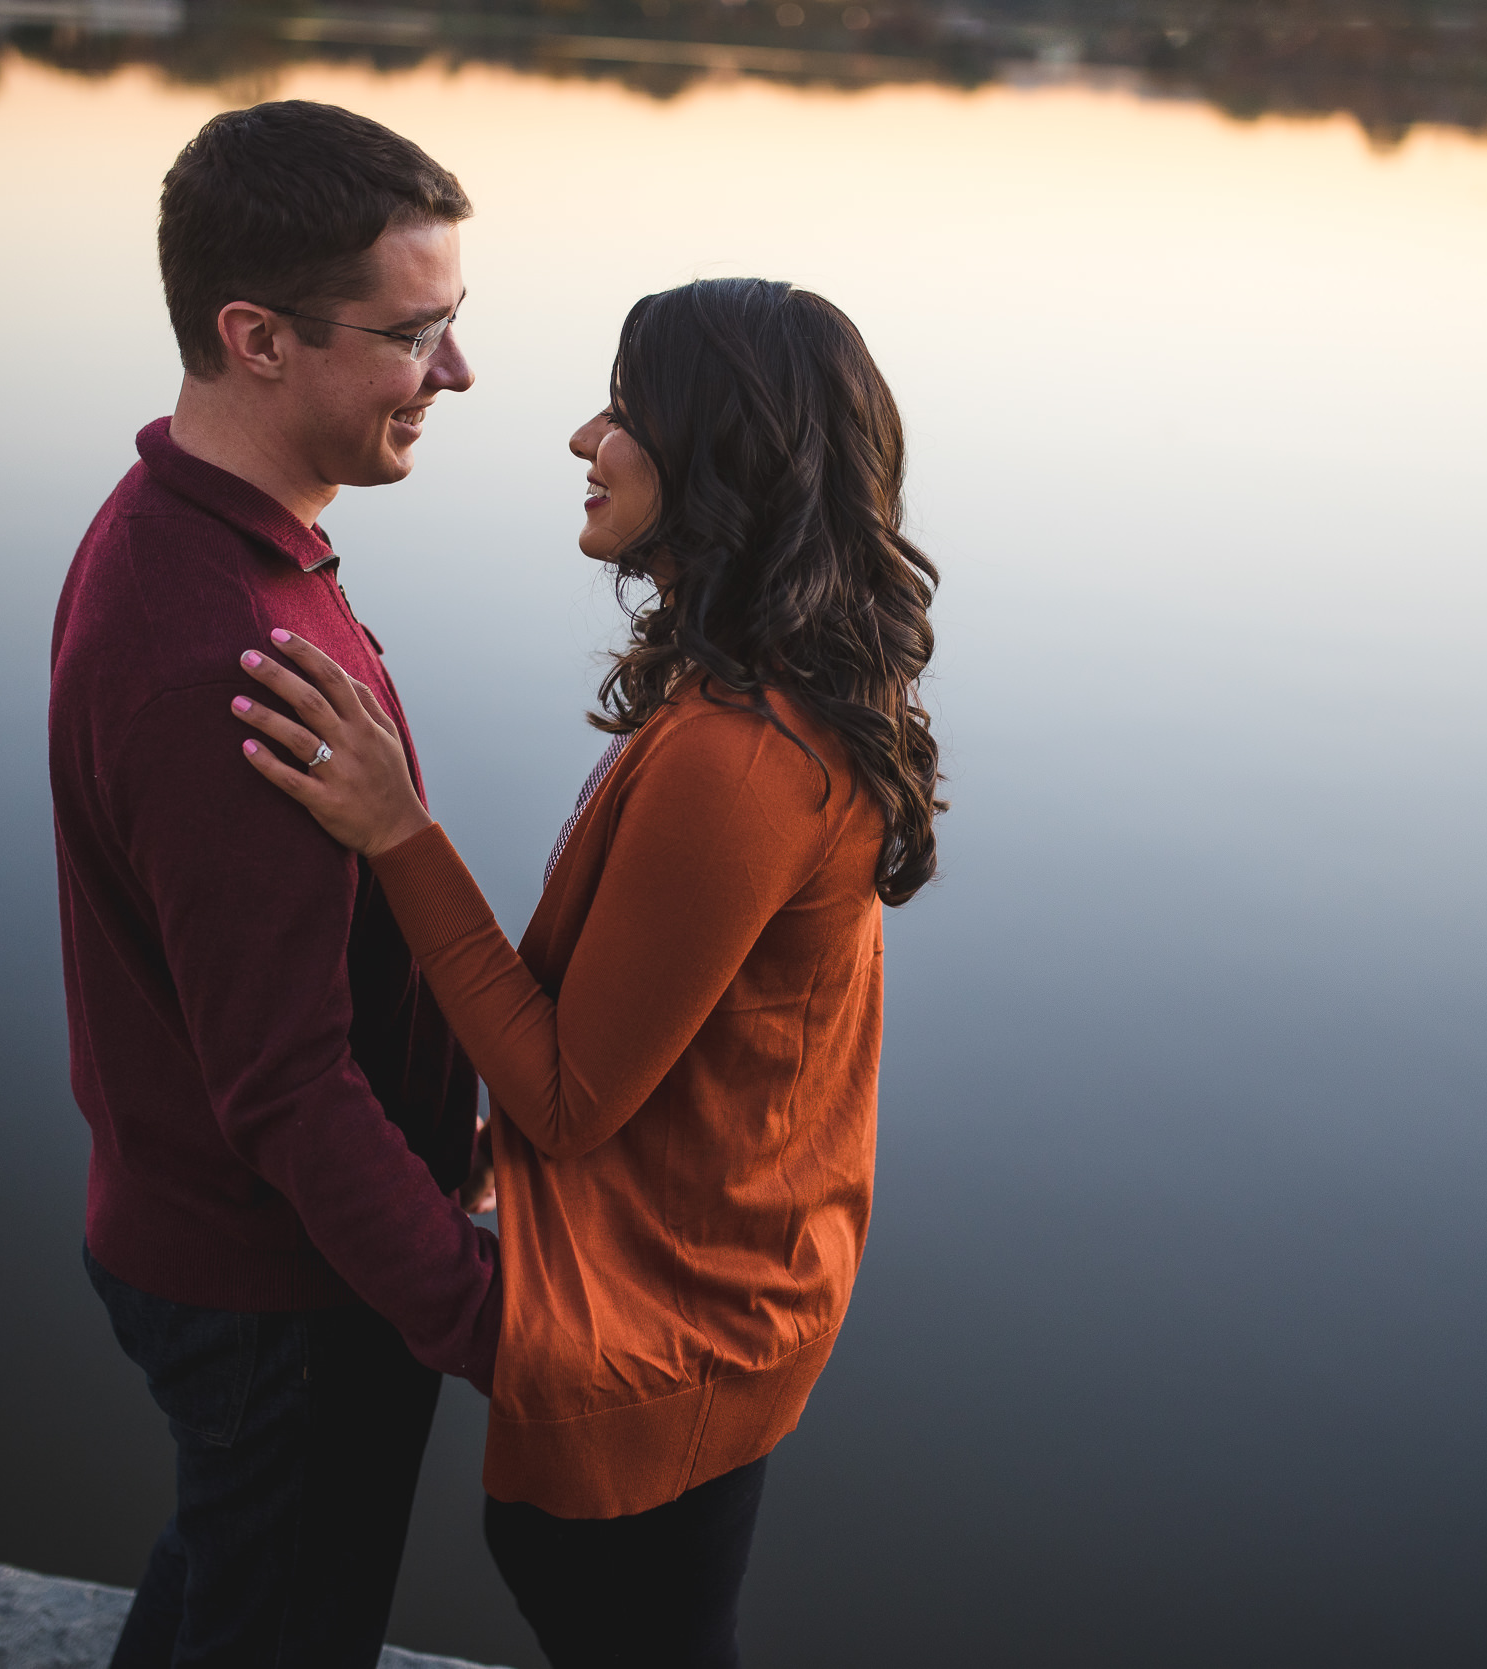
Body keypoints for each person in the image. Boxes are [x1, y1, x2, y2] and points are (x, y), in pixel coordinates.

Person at [229, 277, 943, 1669]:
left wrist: (397, 834)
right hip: (724, 1290)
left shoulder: (741, 757)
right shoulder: (765, 694)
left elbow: (569, 1095)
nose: (581, 439)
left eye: (624, 411)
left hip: (677, 1334)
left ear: (715, 454)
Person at [47, 101, 499, 1668]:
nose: (455, 373)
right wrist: (486, 1314)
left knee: (228, 1577)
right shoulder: (225, 653)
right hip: (285, 1288)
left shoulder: (180, 528)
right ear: (255, 337)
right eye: (414, 332)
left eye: (456, 322)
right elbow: (285, 1080)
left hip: (224, 1241)